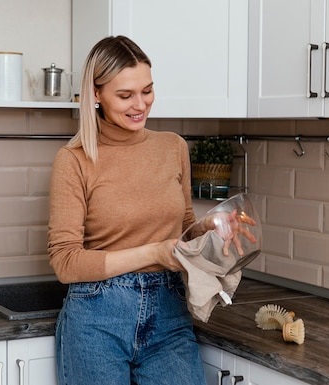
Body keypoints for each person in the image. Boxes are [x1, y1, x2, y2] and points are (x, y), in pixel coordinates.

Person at [48, 35, 240, 385]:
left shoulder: (173, 147)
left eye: (147, 90)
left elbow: (181, 226)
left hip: (170, 311)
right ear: (96, 95)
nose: (140, 104)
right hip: (97, 319)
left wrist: (209, 226)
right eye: (125, 95)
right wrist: (152, 252)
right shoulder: (73, 161)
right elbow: (66, 262)